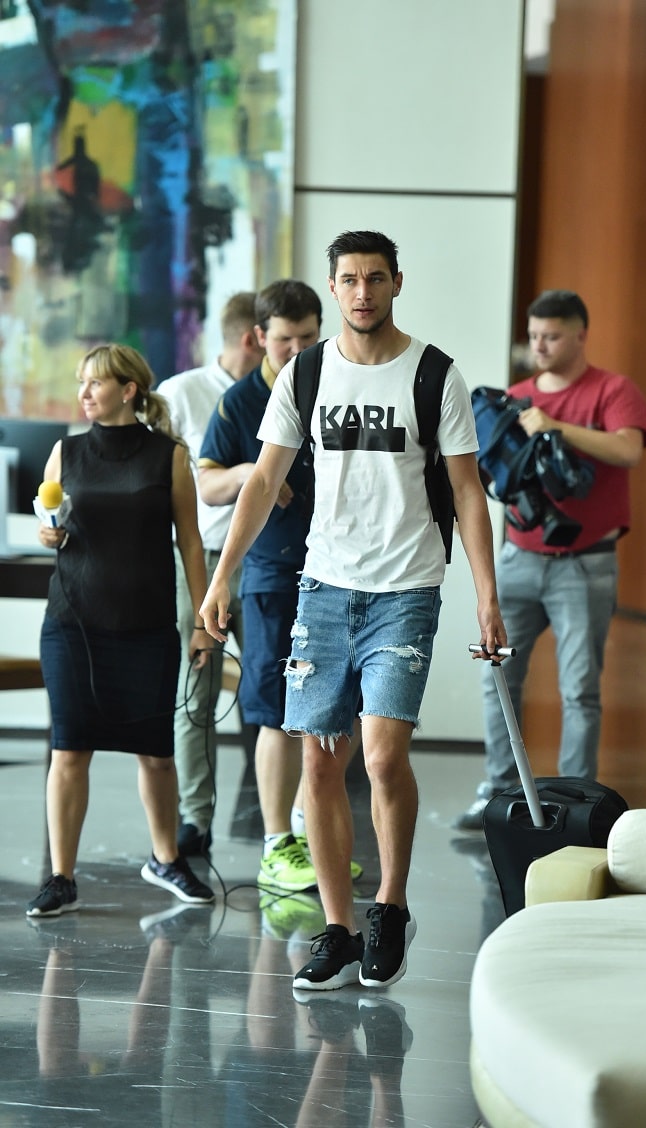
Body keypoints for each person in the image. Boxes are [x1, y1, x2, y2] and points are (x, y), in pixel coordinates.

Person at [199, 230, 506, 992]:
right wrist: (221, 577)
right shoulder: (305, 374)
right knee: (318, 759)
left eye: (375, 278)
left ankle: (389, 908)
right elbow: (262, 481)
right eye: (350, 279)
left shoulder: (434, 374)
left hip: (406, 590)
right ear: (333, 287)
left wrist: (487, 595)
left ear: (397, 282)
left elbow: (467, 490)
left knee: (382, 757)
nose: (363, 292)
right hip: (323, 588)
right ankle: (337, 928)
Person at [453, 289, 646, 830]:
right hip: (519, 559)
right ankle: (499, 792)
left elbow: (629, 449)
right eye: (534, 336)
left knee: (579, 690)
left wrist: (556, 428)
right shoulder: (514, 398)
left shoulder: (611, 389)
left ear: (579, 335)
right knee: (498, 678)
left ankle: (576, 804)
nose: (539, 346)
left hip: (585, 564)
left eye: (551, 336)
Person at [26, 344, 215, 917]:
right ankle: (61, 877)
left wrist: (203, 620)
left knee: (156, 755)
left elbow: (191, 543)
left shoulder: (169, 456)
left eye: (95, 383)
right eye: (81, 382)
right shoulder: (65, 452)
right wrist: (48, 534)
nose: (84, 393)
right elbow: (50, 520)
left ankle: (166, 859)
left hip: (147, 627)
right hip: (72, 623)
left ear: (128, 390)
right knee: (69, 750)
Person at [198, 279, 361, 897]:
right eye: (285, 339)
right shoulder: (240, 402)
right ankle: (274, 845)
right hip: (270, 574)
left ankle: (304, 831)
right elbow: (207, 484)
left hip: (340, 569)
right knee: (273, 709)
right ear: (258, 337)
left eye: (307, 337)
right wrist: (254, 472)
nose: (297, 350)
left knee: (335, 707)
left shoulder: (340, 383)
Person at [159, 291, 264, 857]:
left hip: (268, 562)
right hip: (200, 561)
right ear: (254, 337)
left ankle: (278, 822)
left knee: (270, 691)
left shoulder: (284, 392)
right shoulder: (180, 393)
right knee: (196, 690)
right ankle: (194, 820)